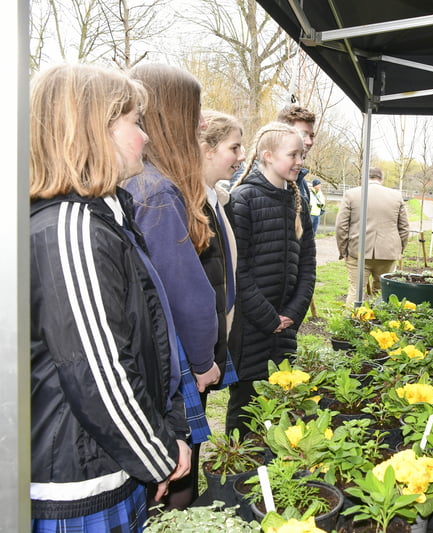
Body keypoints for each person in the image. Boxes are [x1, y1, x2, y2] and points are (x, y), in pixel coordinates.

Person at [30, 64, 190, 532]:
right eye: (136, 122)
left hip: (105, 463)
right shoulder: (71, 227)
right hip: (80, 482)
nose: (145, 137)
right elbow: (98, 373)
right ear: (93, 131)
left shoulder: (97, 217)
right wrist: (158, 453)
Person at [124, 63, 220, 508]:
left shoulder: (137, 180)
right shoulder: (156, 190)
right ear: (171, 114)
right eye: (194, 109)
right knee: (177, 478)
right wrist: (203, 361)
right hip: (171, 361)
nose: (202, 122)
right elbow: (186, 294)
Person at [225, 122, 316, 435]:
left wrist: (292, 313)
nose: (299, 161)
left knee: (281, 409)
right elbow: (238, 271)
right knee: (246, 410)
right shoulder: (244, 200)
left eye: (301, 154)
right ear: (267, 156)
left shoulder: (296, 201)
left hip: (284, 330)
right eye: (293, 154)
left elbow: (308, 265)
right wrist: (268, 317)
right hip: (251, 329)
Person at [196, 109, 244, 495]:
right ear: (206, 148)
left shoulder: (216, 199)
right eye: (234, 147)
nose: (241, 155)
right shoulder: (190, 202)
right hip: (199, 347)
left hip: (214, 338)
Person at [335, 167, 410, 305]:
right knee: (383, 293)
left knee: (356, 292)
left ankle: (350, 323)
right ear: (381, 178)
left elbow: (341, 226)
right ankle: (380, 324)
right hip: (388, 252)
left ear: (365, 177)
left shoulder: (351, 194)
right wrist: (399, 250)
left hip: (357, 251)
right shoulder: (396, 196)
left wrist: (343, 250)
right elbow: (404, 228)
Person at [277, 104, 317, 203]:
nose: (309, 142)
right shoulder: (250, 189)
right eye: (302, 135)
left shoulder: (302, 186)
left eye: (311, 136)